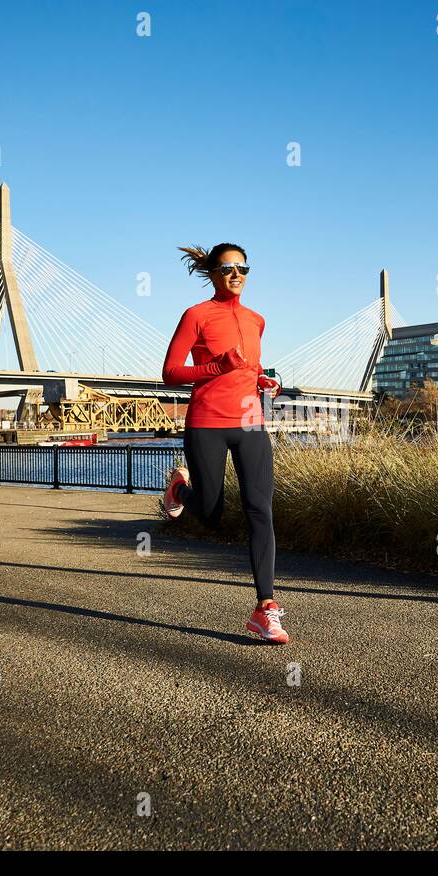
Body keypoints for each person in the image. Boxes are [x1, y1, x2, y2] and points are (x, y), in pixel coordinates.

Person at [161, 243, 288, 644]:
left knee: (259, 510)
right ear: (213, 273)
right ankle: (180, 489)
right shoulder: (196, 315)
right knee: (212, 513)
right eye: (227, 268)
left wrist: (263, 380)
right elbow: (170, 373)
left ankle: (265, 609)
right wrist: (217, 366)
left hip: (251, 421)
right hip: (207, 421)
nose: (236, 274)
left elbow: (248, 370)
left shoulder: (257, 320)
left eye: (243, 268)